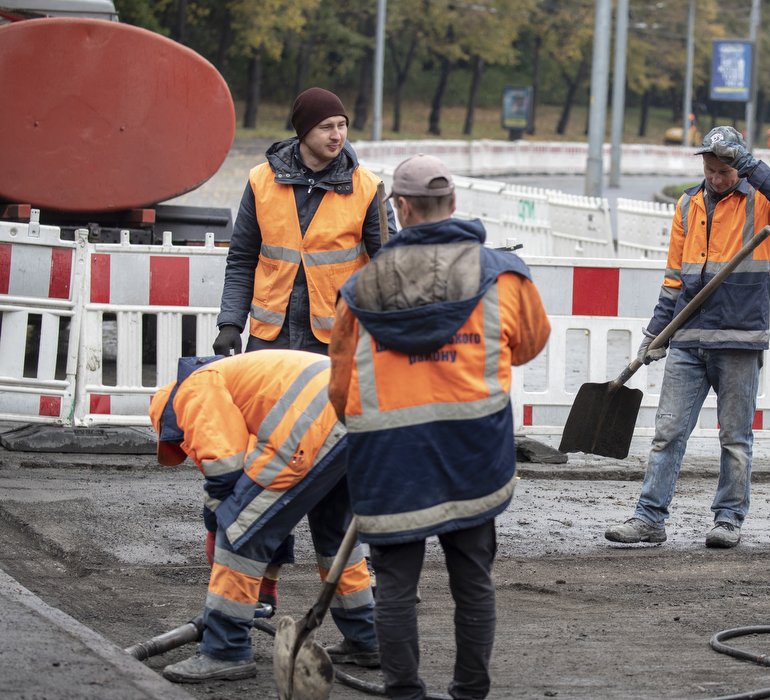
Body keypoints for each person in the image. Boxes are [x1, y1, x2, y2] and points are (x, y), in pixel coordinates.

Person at [327, 154, 550, 700]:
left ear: (400, 209)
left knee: (396, 589)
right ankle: (470, 691)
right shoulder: (501, 274)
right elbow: (530, 344)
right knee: (473, 581)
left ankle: (404, 692)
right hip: (472, 455)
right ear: (452, 204)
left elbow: (339, 390)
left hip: (389, 461)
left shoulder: (358, 291)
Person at [604, 126, 770, 549]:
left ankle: (728, 519)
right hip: (687, 335)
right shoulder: (687, 204)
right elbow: (674, 277)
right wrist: (654, 332)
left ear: (738, 167)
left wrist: (750, 164)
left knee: (734, 437)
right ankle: (649, 518)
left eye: (724, 170)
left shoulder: (761, 201)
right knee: (668, 432)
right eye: (710, 169)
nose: (716, 178)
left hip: (739, 337)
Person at [148, 350, 378, 683]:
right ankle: (366, 638)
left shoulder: (190, 391)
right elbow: (266, 482)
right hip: (359, 411)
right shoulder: (234, 379)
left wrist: (217, 526)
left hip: (315, 419)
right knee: (335, 534)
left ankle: (225, 649)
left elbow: (227, 471)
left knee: (240, 525)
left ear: (167, 421)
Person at [213, 87, 396, 357]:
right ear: (303, 131)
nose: (337, 136)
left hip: (338, 340)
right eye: (326, 127)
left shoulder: (369, 188)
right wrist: (230, 323)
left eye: (342, 125)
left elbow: (389, 266)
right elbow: (242, 258)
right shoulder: (261, 181)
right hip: (270, 339)